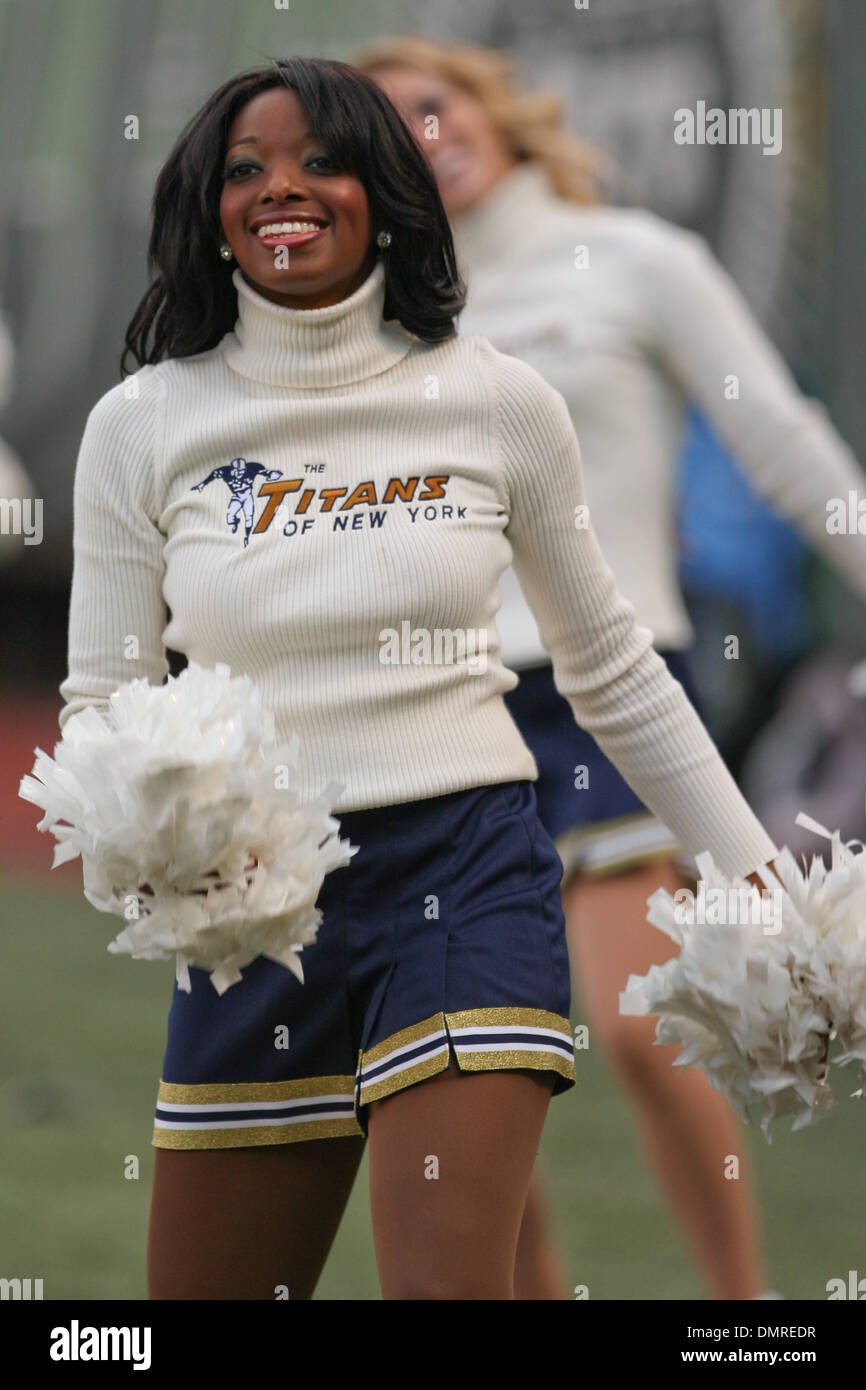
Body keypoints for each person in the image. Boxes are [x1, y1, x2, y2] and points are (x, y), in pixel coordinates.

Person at [59, 55, 782, 1302]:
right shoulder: (143, 423)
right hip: (256, 923)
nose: (281, 189)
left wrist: (754, 873)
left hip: (465, 869)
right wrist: (168, 859)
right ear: (208, 206)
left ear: (382, 188)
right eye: (246, 169)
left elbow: (608, 664)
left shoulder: (497, 400)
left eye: (320, 160)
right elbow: (99, 706)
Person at [357, 35, 866, 1300]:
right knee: (450, 1071)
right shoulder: (371, 318)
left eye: (434, 104)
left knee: (641, 1026)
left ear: (495, 107)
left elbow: (787, 448)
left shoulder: (638, 258)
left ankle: (743, 1318)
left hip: (611, 692)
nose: (424, 136)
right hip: (433, 710)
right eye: (385, 130)